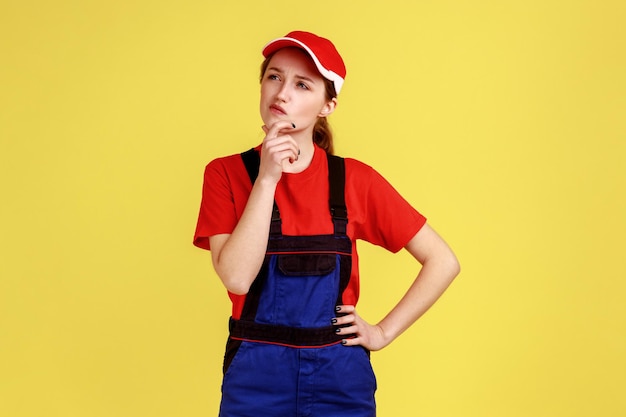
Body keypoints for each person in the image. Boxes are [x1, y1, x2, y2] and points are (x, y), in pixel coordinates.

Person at [193, 30, 460, 417]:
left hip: (339, 379)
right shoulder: (225, 174)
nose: (282, 93)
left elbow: (443, 261)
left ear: (327, 105)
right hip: (255, 379)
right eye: (274, 77)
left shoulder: (356, 181)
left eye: (302, 85)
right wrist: (267, 178)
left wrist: (382, 332)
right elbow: (236, 278)